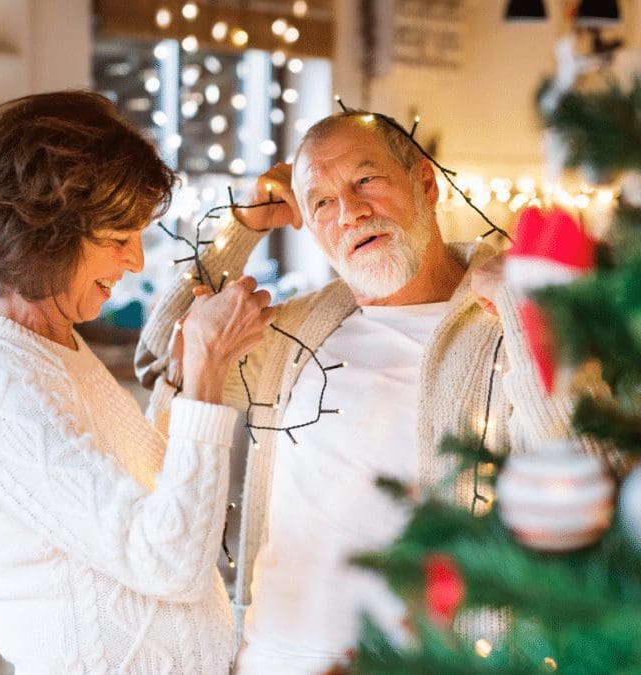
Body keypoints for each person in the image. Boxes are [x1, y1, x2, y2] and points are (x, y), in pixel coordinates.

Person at [135, 111, 579, 673]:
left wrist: (523, 312)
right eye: (320, 202)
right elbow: (161, 355)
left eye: (366, 181)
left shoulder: (508, 316)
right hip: (273, 656)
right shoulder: (294, 332)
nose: (350, 213)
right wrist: (242, 228)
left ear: (424, 182)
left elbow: (577, 464)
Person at [0, 90, 274, 674]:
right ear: (44, 234)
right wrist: (209, 370)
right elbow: (171, 563)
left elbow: (151, 495)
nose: (136, 261)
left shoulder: (48, 336)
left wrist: (188, 379)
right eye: (117, 240)